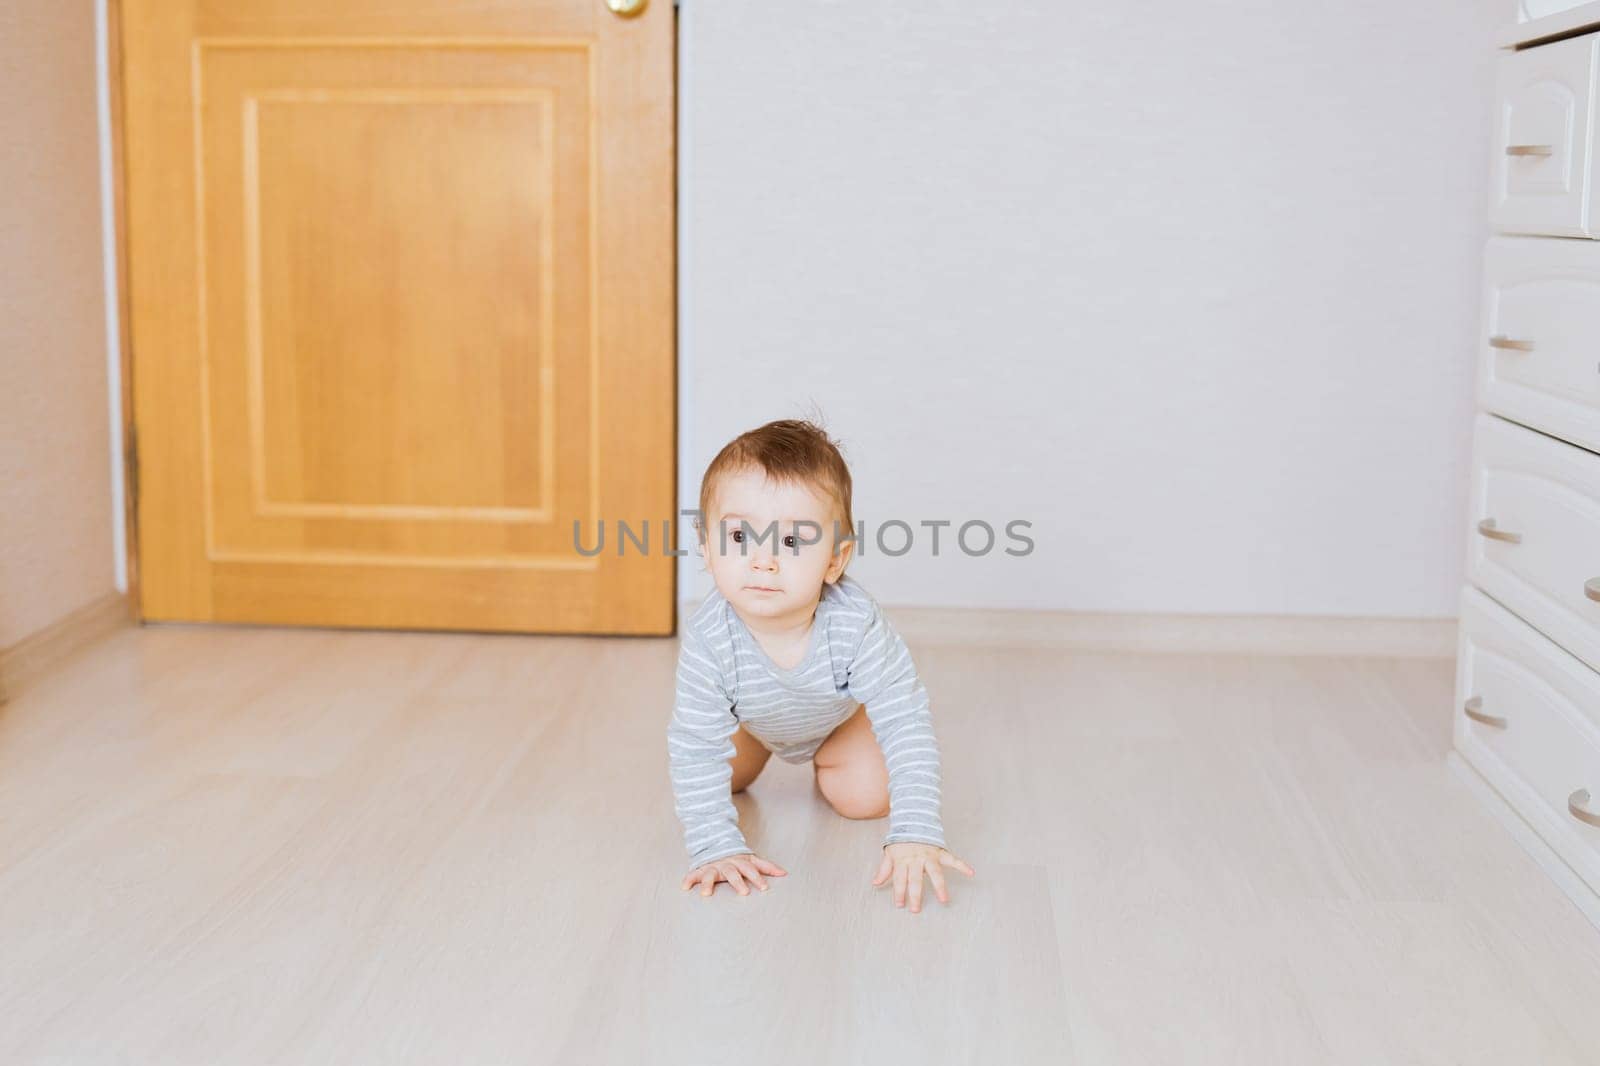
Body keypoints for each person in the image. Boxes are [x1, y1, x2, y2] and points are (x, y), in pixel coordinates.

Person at [666, 418, 975, 913]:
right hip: (751, 722)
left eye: (791, 543)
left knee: (867, 798)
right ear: (706, 547)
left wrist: (917, 831)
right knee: (712, 782)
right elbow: (694, 745)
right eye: (740, 536)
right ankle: (756, 758)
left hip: (836, 721)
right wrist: (716, 847)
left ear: (835, 560)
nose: (763, 560)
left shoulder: (854, 625)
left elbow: (905, 720)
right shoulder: (709, 637)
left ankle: (832, 756)